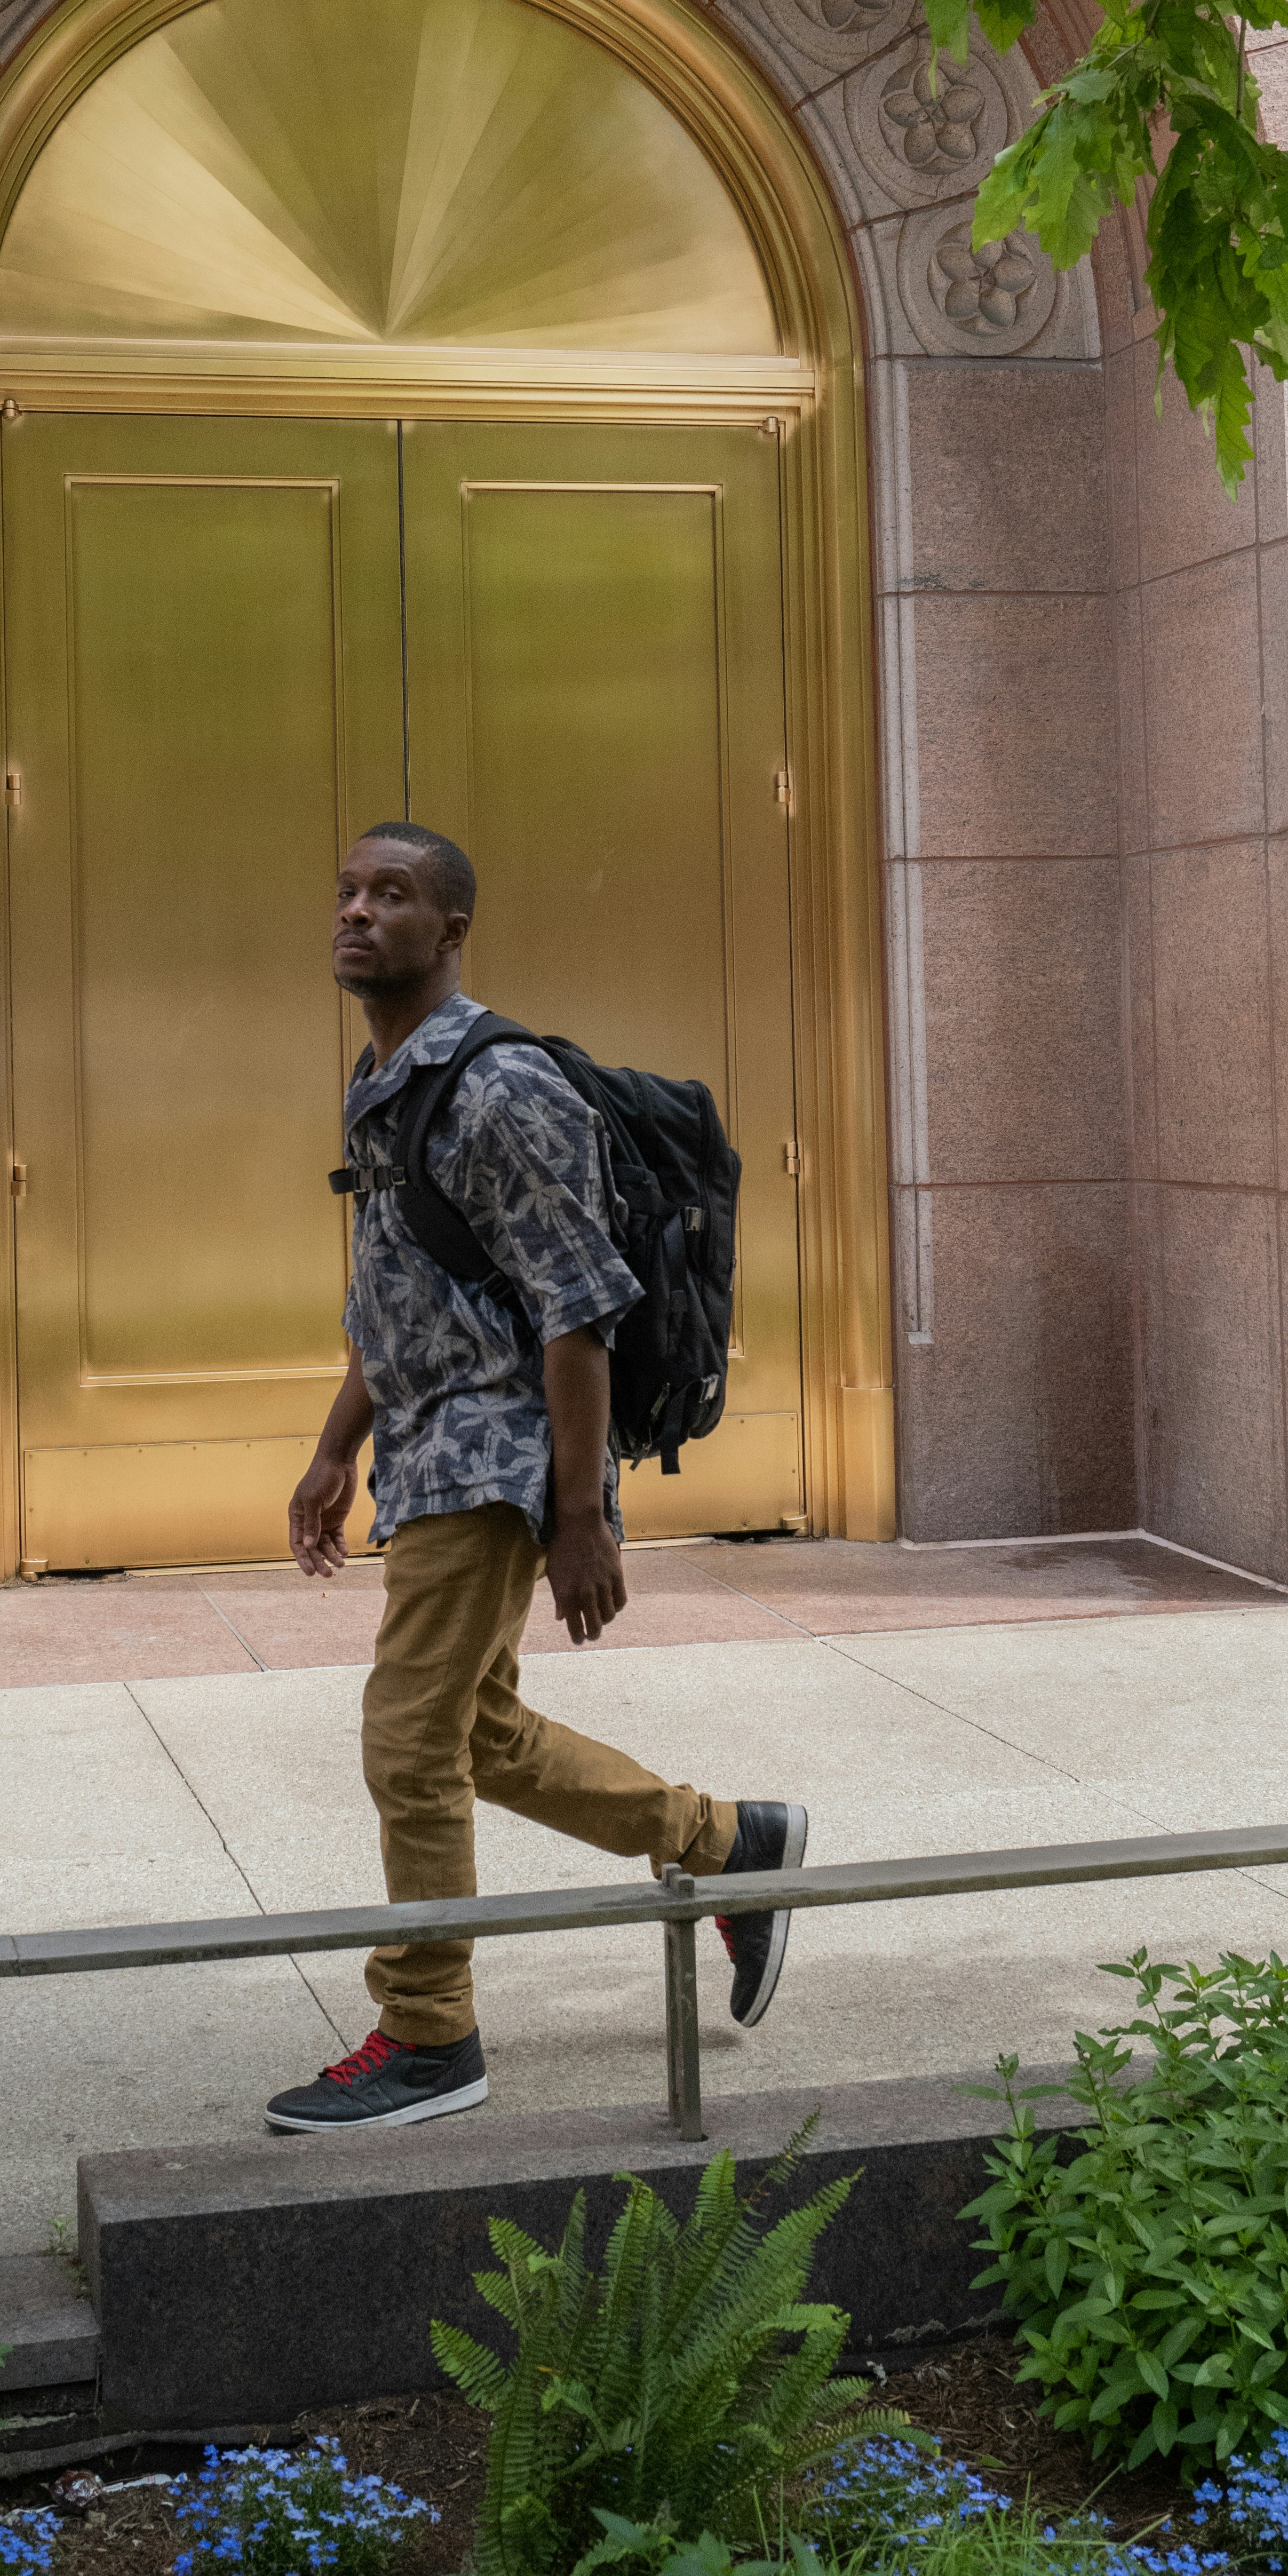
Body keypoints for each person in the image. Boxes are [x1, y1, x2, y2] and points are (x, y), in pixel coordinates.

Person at [265, 821, 805, 2134]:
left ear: (450, 928)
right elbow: (397, 1288)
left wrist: (580, 1516)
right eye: (344, 889)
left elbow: (580, 1312)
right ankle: (726, 1842)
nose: (356, 911)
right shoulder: (382, 1074)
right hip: (426, 1436)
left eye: (390, 895)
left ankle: (428, 2032)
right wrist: (338, 1442)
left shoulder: (505, 1091)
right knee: (472, 1734)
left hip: (498, 1453)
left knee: (407, 1739)